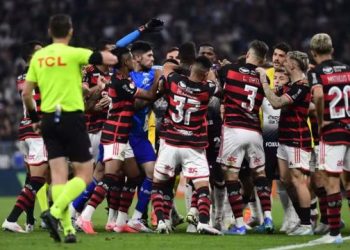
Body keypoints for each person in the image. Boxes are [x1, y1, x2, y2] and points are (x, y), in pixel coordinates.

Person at [22, 14, 118, 243]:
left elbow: (27, 93)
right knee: (84, 175)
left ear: (49, 31)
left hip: (47, 119)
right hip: (72, 118)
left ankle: (68, 230)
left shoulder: (39, 57)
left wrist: (34, 118)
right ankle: (54, 214)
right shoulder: (75, 53)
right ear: (71, 31)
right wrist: (111, 53)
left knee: (58, 178)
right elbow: (107, 59)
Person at [76, 47, 159, 234]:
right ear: (123, 62)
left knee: (135, 175)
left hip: (122, 136)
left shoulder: (123, 79)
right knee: (110, 176)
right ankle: (85, 217)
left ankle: (121, 222)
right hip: (114, 134)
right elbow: (148, 96)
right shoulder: (120, 83)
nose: (132, 61)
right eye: (130, 59)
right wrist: (158, 79)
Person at [151, 56, 222, 235]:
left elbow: (166, 68)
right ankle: (204, 222)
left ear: (191, 68)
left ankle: (160, 221)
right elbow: (213, 79)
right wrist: (208, 72)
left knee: (159, 184)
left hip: (171, 143)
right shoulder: (207, 89)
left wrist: (183, 67)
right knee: (203, 185)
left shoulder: (175, 81)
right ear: (205, 73)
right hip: (193, 145)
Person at [218, 40, 273, 235]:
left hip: (234, 129)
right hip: (255, 132)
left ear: (248, 54)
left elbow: (218, 82)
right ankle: (268, 218)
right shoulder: (263, 76)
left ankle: (240, 224)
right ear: (263, 59)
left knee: (231, 176)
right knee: (260, 175)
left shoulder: (230, 70)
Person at [256, 51, 313, 236]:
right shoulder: (291, 85)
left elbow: (277, 102)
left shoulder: (302, 86)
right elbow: (272, 97)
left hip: (297, 139)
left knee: (298, 180)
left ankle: (307, 223)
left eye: (287, 60)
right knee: (286, 181)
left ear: (294, 65)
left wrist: (264, 81)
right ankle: (300, 219)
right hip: (284, 138)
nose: (283, 63)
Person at [2, 40, 48, 233]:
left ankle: (29, 220)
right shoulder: (38, 72)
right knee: (38, 179)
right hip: (38, 131)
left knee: (33, 177)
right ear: (32, 55)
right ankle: (11, 219)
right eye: (40, 50)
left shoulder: (23, 75)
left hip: (25, 131)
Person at [308, 33, 349, 244]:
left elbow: (318, 96)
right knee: (348, 182)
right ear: (332, 50)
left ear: (313, 53)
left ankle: (334, 234)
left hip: (333, 132)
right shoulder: (346, 69)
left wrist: (322, 119)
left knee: (331, 181)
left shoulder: (316, 72)